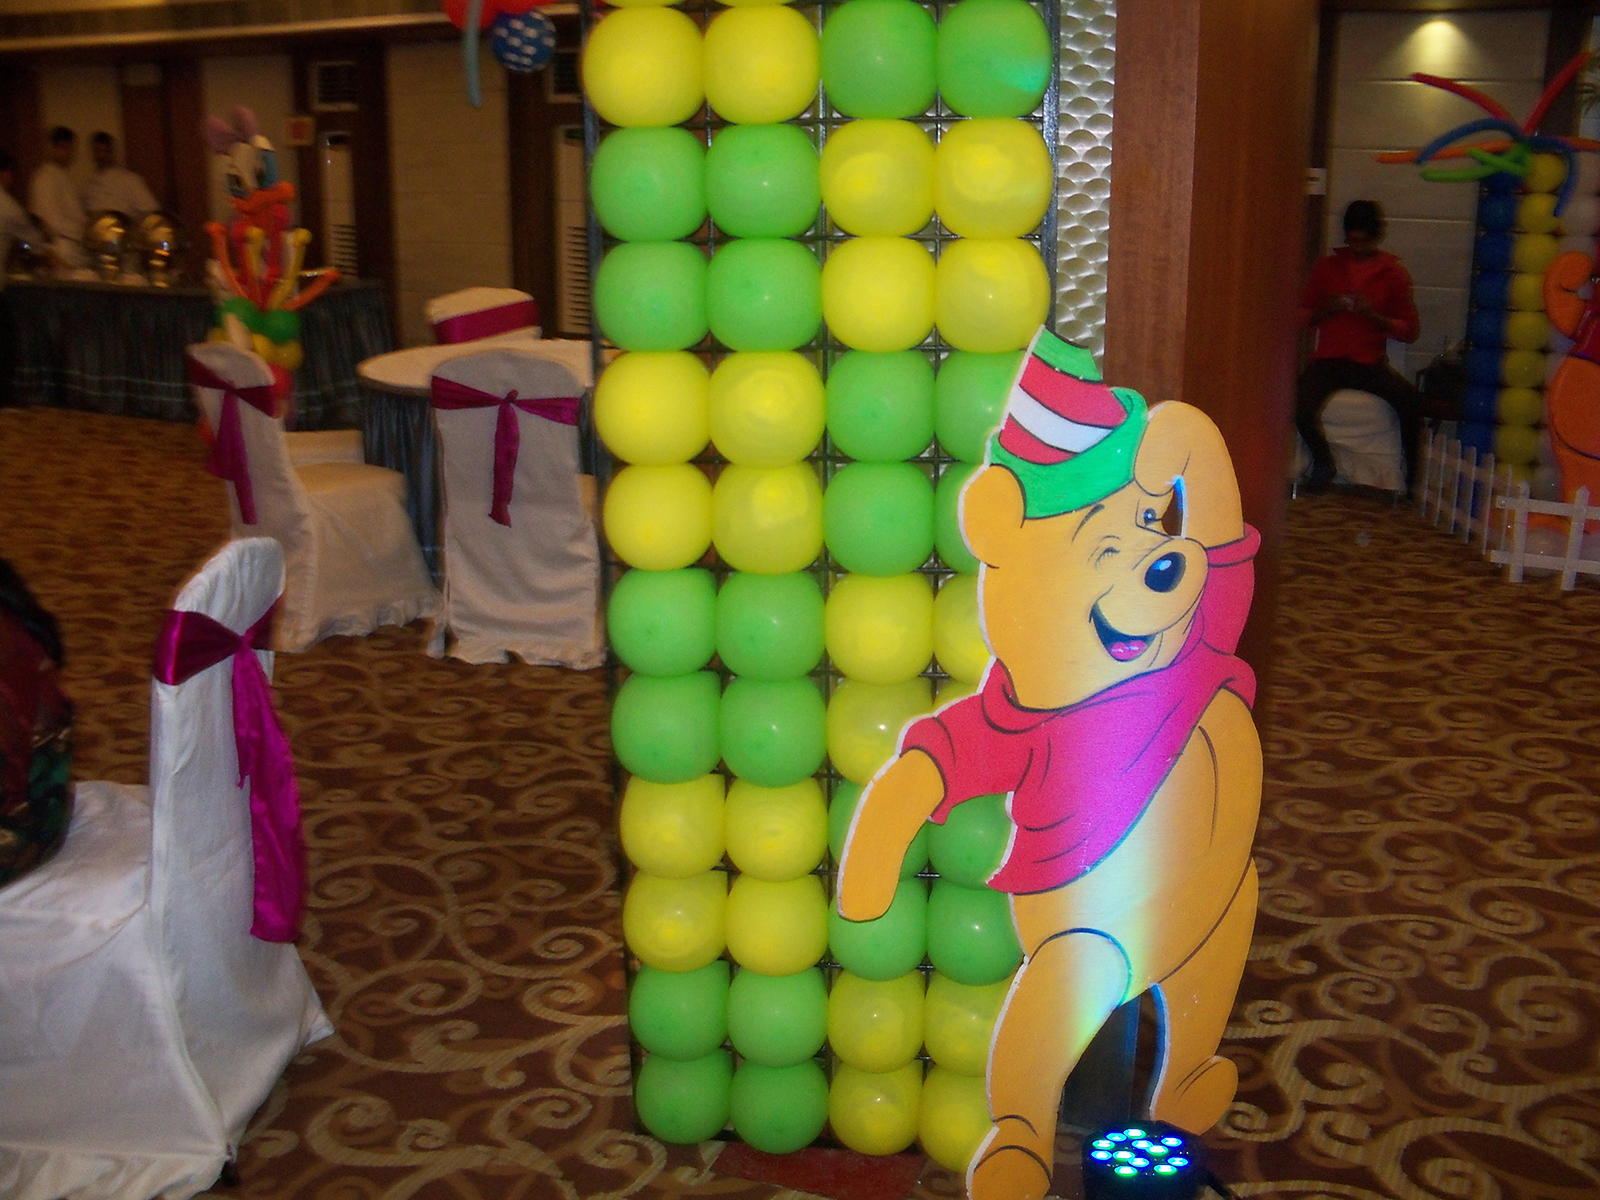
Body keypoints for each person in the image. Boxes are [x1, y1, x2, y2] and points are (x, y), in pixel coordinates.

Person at [1295, 199, 1423, 496]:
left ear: (1376, 237)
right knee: (1297, 402)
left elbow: (1409, 330)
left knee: (1411, 402)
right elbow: (1301, 316)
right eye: (1352, 242)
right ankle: (1323, 461)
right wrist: (1327, 309)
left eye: (1364, 242)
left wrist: (1374, 316)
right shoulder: (1327, 268)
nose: (1357, 248)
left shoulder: (1393, 274)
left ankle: (1412, 481)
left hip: (1369, 362)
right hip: (1329, 360)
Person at [28, 126, 86, 267]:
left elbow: (73, 212)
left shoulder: (63, 175)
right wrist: (83, 232)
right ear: (52, 148)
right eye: (63, 148)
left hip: (74, 246)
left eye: (70, 149)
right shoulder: (45, 177)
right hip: (59, 248)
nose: (68, 153)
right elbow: (50, 220)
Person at [82, 132, 158, 221]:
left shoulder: (129, 179)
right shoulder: (90, 183)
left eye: (105, 151)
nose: (101, 156)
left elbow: (151, 211)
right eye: (97, 151)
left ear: (112, 153)